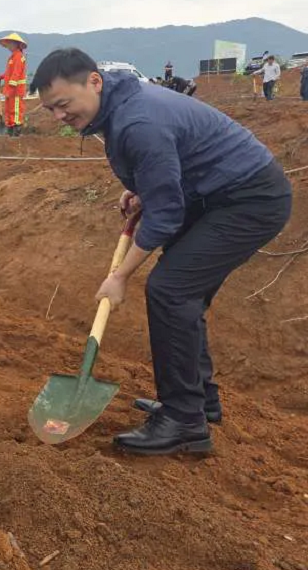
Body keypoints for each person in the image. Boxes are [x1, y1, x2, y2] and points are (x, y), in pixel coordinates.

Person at [32, 48, 292, 455]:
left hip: (249, 199)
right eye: (50, 109)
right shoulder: (121, 106)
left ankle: (185, 423)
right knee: (181, 295)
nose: (59, 117)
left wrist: (119, 277)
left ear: (95, 82)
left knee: (171, 290)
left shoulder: (138, 121)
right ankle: (198, 402)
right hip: (214, 193)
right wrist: (143, 188)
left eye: (64, 104)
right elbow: (169, 168)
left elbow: (166, 215)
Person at [0, 33, 28, 136]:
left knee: (16, 108)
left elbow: (16, 72)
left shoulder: (19, 56)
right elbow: (9, 72)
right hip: (10, 88)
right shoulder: (12, 57)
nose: (8, 46)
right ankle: (10, 127)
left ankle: (17, 128)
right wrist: (1, 76)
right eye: (8, 44)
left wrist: (12, 84)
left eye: (10, 44)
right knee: (9, 108)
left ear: (16, 44)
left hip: (16, 89)